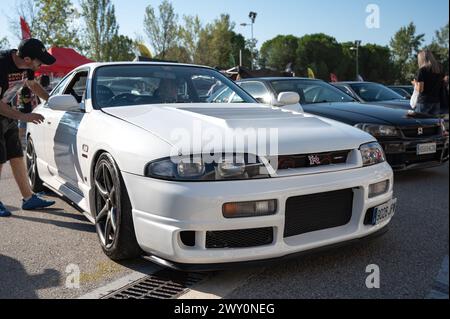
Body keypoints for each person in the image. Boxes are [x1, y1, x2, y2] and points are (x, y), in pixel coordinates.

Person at [0, 38, 57, 217]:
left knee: (16, 155)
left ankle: (28, 198)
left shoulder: (27, 68)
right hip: (4, 109)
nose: (40, 65)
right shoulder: (1, 65)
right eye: (39, 61)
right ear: (27, 60)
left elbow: (32, 85)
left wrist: (52, 101)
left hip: (7, 112)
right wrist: (25, 116)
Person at [414, 49, 444, 115]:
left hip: (424, 102)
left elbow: (420, 90)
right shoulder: (439, 70)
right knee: (433, 123)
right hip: (436, 102)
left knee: (420, 123)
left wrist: (415, 84)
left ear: (421, 59)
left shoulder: (422, 70)